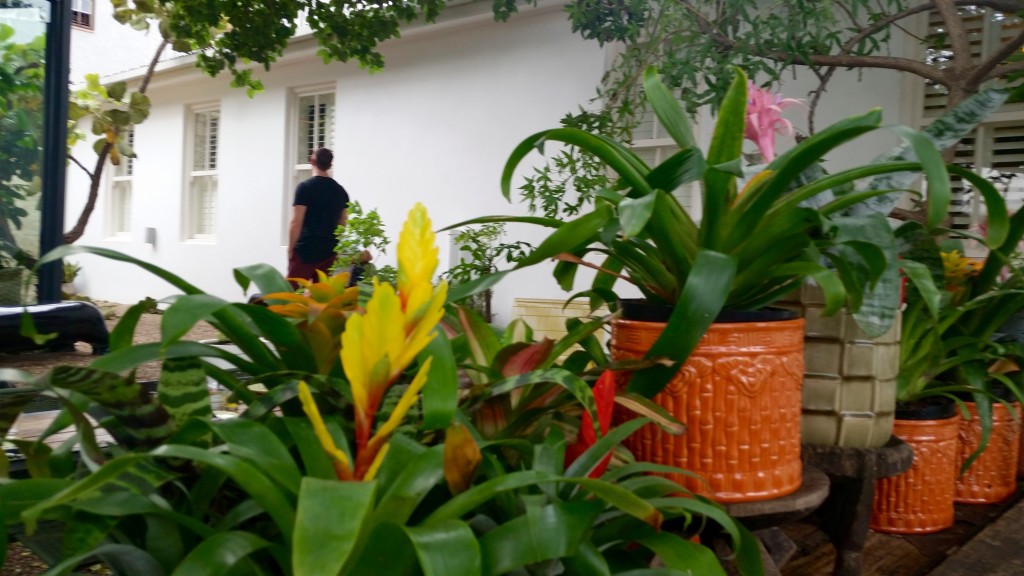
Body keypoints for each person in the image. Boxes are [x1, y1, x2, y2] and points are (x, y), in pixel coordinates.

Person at [287, 148, 350, 287]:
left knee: (288, 295)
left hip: (305, 251)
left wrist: (290, 249)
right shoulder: (341, 191)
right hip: (328, 252)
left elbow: (296, 222)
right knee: (321, 298)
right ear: (330, 165)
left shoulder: (304, 188)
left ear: (312, 161)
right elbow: (343, 222)